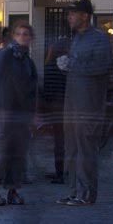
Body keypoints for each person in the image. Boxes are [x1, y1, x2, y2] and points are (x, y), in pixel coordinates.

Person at [59, 0, 113, 207]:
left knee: (86, 149)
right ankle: (74, 191)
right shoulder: (76, 38)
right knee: (72, 148)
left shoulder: (99, 38)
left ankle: (87, 193)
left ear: (85, 16)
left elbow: (100, 66)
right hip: (72, 102)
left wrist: (71, 64)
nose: (69, 17)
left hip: (88, 104)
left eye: (73, 13)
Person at [0, 22, 38, 207]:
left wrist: (32, 113)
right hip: (3, 112)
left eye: (26, 34)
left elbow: (32, 89)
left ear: (31, 38)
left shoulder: (28, 61)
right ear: (14, 36)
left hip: (20, 115)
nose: (23, 37)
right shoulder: (5, 55)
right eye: (19, 34)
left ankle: (12, 191)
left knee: (17, 155)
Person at [38, 22, 71, 184]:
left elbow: (48, 89)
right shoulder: (69, 65)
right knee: (67, 141)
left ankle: (60, 173)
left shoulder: (49, 66)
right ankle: (67, 171)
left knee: (59, 142)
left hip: (56, 108)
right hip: (69, 107)